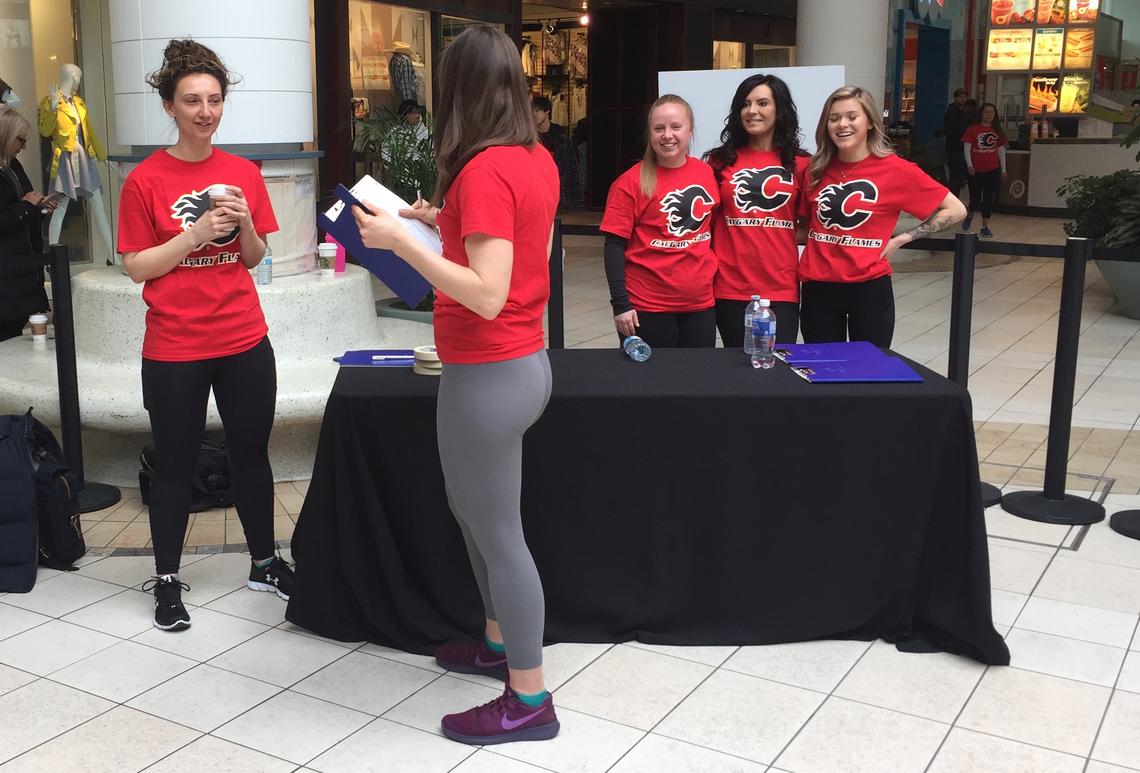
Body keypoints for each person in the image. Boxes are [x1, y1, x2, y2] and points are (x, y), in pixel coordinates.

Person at [351, 25, 561, 746]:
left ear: (462, 90)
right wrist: (435, 221)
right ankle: (499, 645)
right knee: (473, 512)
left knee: (499, 534)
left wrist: (405, 243)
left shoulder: (484, 170)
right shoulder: (532, 158)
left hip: (489, 368)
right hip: (517, 365)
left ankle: (529, 697)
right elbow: (509, 242)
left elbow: (488, 290)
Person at [116, 39, 292, 631]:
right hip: (174, 345)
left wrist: (242, 226)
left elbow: (254, 257)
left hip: (244, 338)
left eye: (214, 99)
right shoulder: (144, 180)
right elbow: (137, 265)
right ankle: (167, 578)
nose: (205, 111)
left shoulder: (243, 173)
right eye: (192, 100)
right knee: (174, 464)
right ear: (169, 106)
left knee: (251, 454)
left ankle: (264, 562)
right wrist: (194, 234)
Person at [799, 86, 966, 347]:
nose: (842, 124)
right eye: (834, 118)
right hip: (819, 288)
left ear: (869, 123)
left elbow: (956, 210)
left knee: (869, 374)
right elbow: (806, 225)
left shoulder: (895, 170)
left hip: (869, 287)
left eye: (852, 116)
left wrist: (901, 239)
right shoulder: (815, 169)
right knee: (821, 373)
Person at [601, 94, 719, 348]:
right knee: (653, 386)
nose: (667, 135)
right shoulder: (629, 183)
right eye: (659, 128)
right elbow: (613, 248)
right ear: (650, 133)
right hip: (647, 308)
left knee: (697, 383)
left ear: (690, 130)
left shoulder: (706, 173)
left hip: (700, 306)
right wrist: (620, 305)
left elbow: (713, 231)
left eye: (676, 126)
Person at [704, 73, 807, 346]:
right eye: (745, 104)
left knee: (778, 371)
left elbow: (810, 224)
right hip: (730, 286)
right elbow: (708, 223)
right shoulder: (719, 161)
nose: (752, 111)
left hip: (781, 286)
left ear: (779, 109)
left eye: (762, 103)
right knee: (737, 371)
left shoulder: (802, 163)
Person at [0, 106, 56, 341]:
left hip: (23, 269)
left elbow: (26, 198)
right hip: (7, 274)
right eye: (20, 140)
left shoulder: (13, 166)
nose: (23, 147)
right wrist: (26, 207)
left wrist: (39, 207)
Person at [961, 102, 1007, 238]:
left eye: (992, 112)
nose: (989, 115)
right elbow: (967, 149)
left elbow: (1001, 151)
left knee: (988, 199)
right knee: (975, 198)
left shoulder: (997, 130)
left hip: (992, 170)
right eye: (986, 112)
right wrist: (969, 165)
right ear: (981, 114)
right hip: (975, 170)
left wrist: (1004, 169)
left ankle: (985, 226)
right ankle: (970, 214)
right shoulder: (972, 129)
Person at [532, 94, 583, 208]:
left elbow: (572, 165)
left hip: (560, 190)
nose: (534, 114)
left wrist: (577, 199)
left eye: (537, 110)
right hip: (537, 188)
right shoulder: (529, 137)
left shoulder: (560, 135)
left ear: (547, 111)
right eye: (531, 111)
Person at [942, 88, 972, 198]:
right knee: (956, 175)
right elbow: (948, 130)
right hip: (955, 148)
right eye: (960, 97)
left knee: (960, 175)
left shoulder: (966, 112)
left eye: (965, 97)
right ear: (955, 98)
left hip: (964, 147)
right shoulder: (951, 113)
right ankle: (953, 198)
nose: (963, 99)